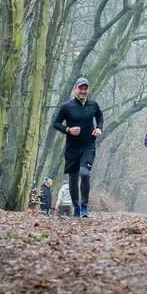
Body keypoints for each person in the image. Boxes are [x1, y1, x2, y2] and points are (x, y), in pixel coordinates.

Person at [53, 77, 104, 218]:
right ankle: (76, 208)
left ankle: (84, 207)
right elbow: (56, 123)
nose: (83, 91)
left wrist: (99, 128)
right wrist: (68, 129)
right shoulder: (67, 106)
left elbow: (100, 116)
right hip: (72, 147)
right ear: (75, 88)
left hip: (88, 145)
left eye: (85, 88)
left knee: (85, 173)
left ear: (88, 90)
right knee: (73, 178)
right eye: (80, 88)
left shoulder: (94, 105)